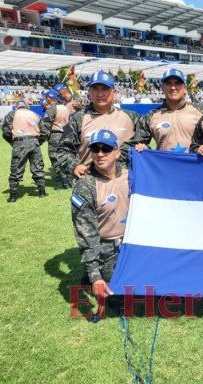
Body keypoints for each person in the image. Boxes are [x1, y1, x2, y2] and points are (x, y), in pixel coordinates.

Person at [71, 129, 129, 302]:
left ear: (117, 152)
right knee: (117, 299)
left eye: (106, 149)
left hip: (132, 243)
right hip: (106, 248)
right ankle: (90, 276)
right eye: (95, 149)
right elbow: (85, 233)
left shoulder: (131, 173)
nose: (100, 154)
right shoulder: (85, 185)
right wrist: (95, 276)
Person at [58, 70, 142, 179]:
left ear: (114, 92)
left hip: (125, 182)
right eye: (95, 89)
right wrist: (74, 166)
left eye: (105, 89)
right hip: (90, 183)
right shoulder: (76, 119)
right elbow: (62, 148)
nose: (100, 94)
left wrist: (142, 145)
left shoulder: (131, 117)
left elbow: (145, 138)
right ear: (89, 92)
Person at [135, 68, 202, 152]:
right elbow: (138, 143)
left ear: (185, 88)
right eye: (168, 83)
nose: (173, 87)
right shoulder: (151, 116)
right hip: (163, 164)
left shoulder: (199, 113)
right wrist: (143, 146)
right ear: (162, 88)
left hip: (192, 164)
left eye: (177, 83)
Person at [1, 101, 48, 202]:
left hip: (19, 142)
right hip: (34, 142)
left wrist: (12, 142)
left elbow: (6, 131)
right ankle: (42, 192)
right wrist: (38, 142)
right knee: (38, 167)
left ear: (17, 107)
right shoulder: (36, 115)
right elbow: (45, 132)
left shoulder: (12, 114)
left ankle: (13, 196)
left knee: (16, 168)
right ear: (27, 107)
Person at [42, 89, 72, 189]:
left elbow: (46, 125)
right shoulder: (65, 107)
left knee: (54, 158)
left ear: (50, 98)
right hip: (66, 134)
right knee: (64, 157)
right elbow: (68, 123)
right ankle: (68, 178)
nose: (46, 99)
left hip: (55, 135)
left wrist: (42, 139)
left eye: (47, 97)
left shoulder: (51, 109)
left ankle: (64, 180)